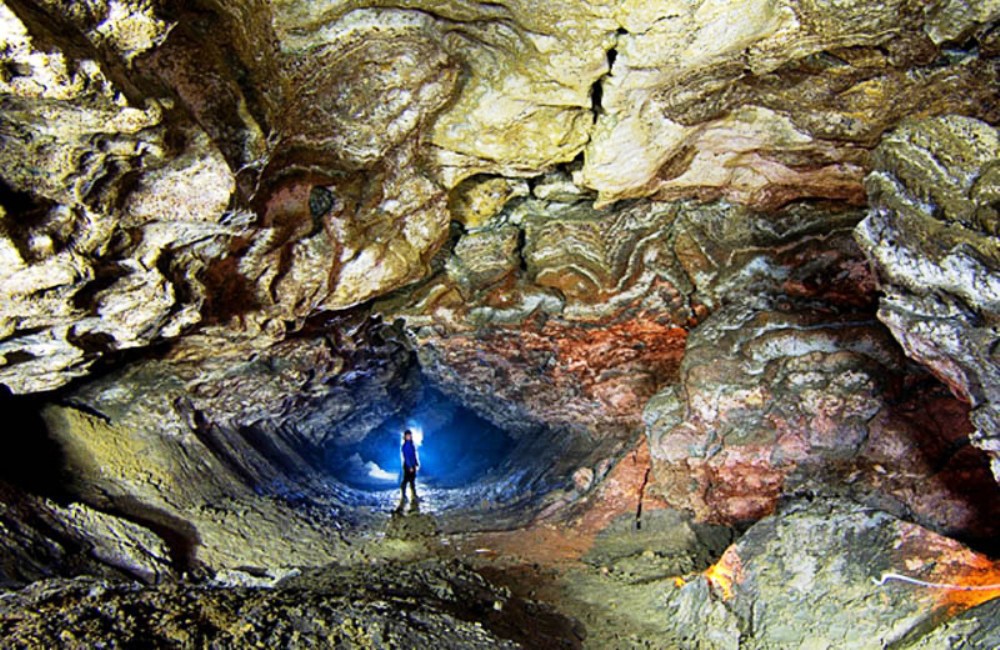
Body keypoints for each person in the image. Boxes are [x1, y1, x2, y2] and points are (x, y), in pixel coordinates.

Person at [399, 429, 420, 509]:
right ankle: (404, 495)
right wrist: (410, 466)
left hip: (412, 465)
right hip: (408, 466)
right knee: (406, 480)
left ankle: (413, 495)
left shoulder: (411, 444)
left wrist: (416, 462)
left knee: (412, 480)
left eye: (410, 435)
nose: (409, 437)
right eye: (407, 436)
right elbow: (406, 457)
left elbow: (413, 455)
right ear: (405, 437)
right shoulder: (405, 446)